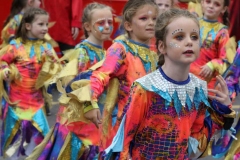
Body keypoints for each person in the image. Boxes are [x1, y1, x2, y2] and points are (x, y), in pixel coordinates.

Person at [103, 8, 235, 159]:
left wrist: (224, 109)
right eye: (179, 37)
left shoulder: (198, 89)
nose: (189, 42)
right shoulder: (146, 88)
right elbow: (125, 140)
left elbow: (197, 140)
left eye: (194, 37)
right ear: (162, 46)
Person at [26, 2, 114, 159]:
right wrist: (89, 104)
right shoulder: (81, 51)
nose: (107, 26)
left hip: (95, 119)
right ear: (87, 26)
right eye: (101, 23)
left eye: (110, 22)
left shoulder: (107, 53)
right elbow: (70, 83)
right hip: (78, 120)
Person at [81, 0, 158, 154]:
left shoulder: (153, 52)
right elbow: (100, 75)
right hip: (121, 125)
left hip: (145, 125)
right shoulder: (120, 49)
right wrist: (89, 103)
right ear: (128, 25)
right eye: (144, 19)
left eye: (154, 19)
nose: (151, 23)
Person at [0, 8, 60, 159]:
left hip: (36, 103)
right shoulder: (15, 46)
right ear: (27, 26)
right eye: (41, 24)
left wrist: (51, 61)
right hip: (16, 103)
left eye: (46, 24)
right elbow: (2, 61)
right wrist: (5, 71)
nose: (45, 28)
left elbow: (57, 70)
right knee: (12, 140)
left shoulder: (46, 47)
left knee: (41, 138)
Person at [190, 0, 230, 90]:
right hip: (185, 78)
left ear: (223, 9)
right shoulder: (191, 24)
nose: (211, 6)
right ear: (202, 2)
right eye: (208, 2)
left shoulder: (223, 32)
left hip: (207, 84)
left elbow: (226, 61)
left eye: (217, 4)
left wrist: (212, 65)